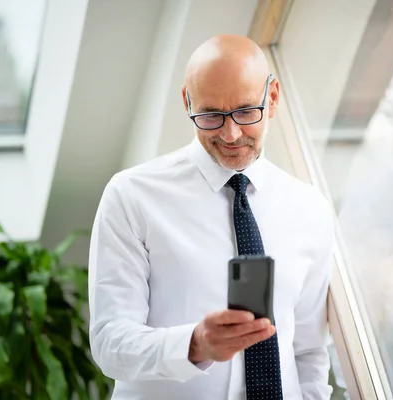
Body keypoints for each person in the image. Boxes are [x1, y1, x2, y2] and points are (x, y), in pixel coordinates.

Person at [88, 34, 334, 400]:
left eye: (247, 111)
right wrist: (194, 344)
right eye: (211, 115)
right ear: (187, 101)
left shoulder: (310, 208)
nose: (231, 133)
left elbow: (309, 352)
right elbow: (110, 343)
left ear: (274, 97)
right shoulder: (132, 196)